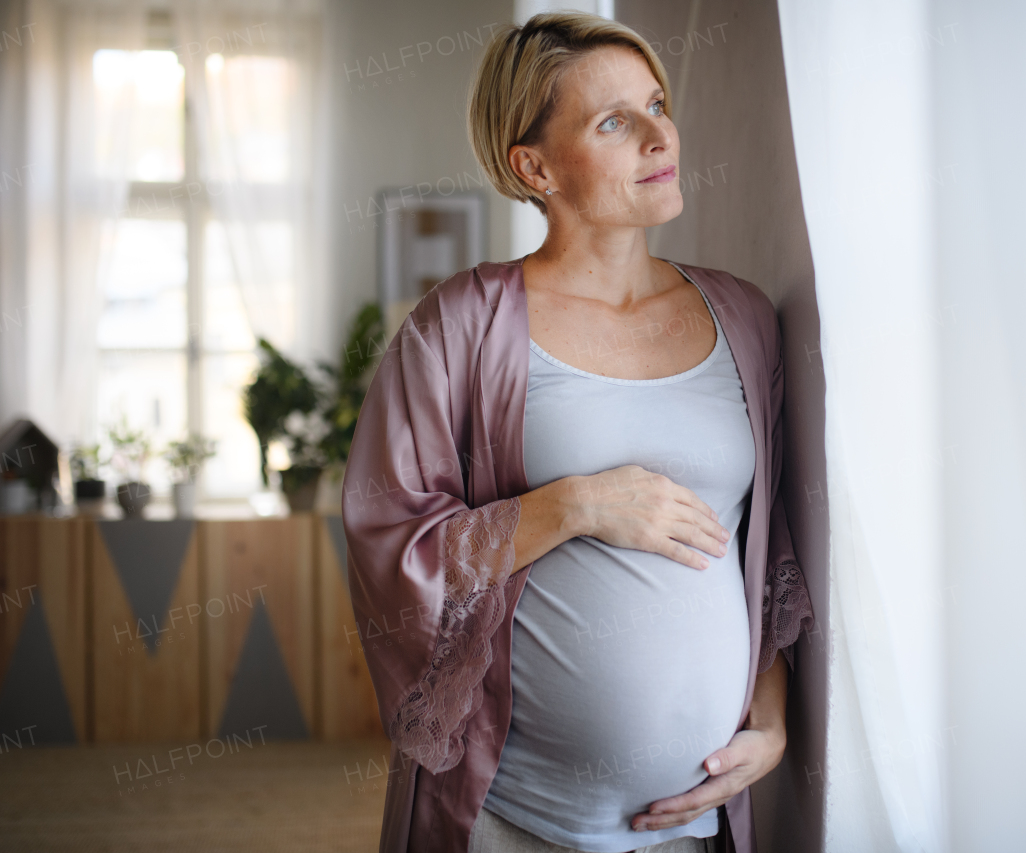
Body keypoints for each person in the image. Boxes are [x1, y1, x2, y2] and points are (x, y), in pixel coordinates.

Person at [341, 12, 814, 853]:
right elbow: (391, 542)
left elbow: (764, 545)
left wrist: (772, 723)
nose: (658, 134)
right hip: (512, 816)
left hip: (694, 823)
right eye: (612, 121)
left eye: (657, 104)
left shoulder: (743, 315)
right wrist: (575, 504)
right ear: (534, 165)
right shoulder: (459, 325)